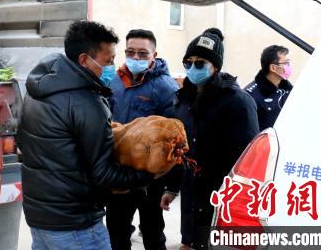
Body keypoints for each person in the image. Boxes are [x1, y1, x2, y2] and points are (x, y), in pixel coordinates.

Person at [18, 21, 154, 250]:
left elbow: (23, 143)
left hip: (39, 220)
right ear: (84, 60)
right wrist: (148, 174)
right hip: (76, 225)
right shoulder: (87, 103)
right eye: (108, 61)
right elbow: (104, 175)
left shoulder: (37, 90)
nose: (113, 66)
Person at [160, 28, 259, 250]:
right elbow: (180, 149)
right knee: (190, 242)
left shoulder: (238, 101)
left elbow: (248, 158)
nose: (193, 68)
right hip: (190, 191)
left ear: (216, 66)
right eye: (188, 63)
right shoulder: (182, 100)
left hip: (222, 194)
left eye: (200, 63)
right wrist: (172, 187)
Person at [107, 29, 179, 250]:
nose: (135, 58)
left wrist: (172, 185)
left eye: (142, 53)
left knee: (152, 230)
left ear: (154, 55)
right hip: (119, 173)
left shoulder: (166, 88)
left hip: (151, 177)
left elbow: (175, 139)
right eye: (130, 52)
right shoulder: (115, 82)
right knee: (116, 230)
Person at [245, 45, 293, 130]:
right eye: (286, 63)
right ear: (273, 68)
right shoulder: (250, 95)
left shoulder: (289, 89)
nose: (289, 67)